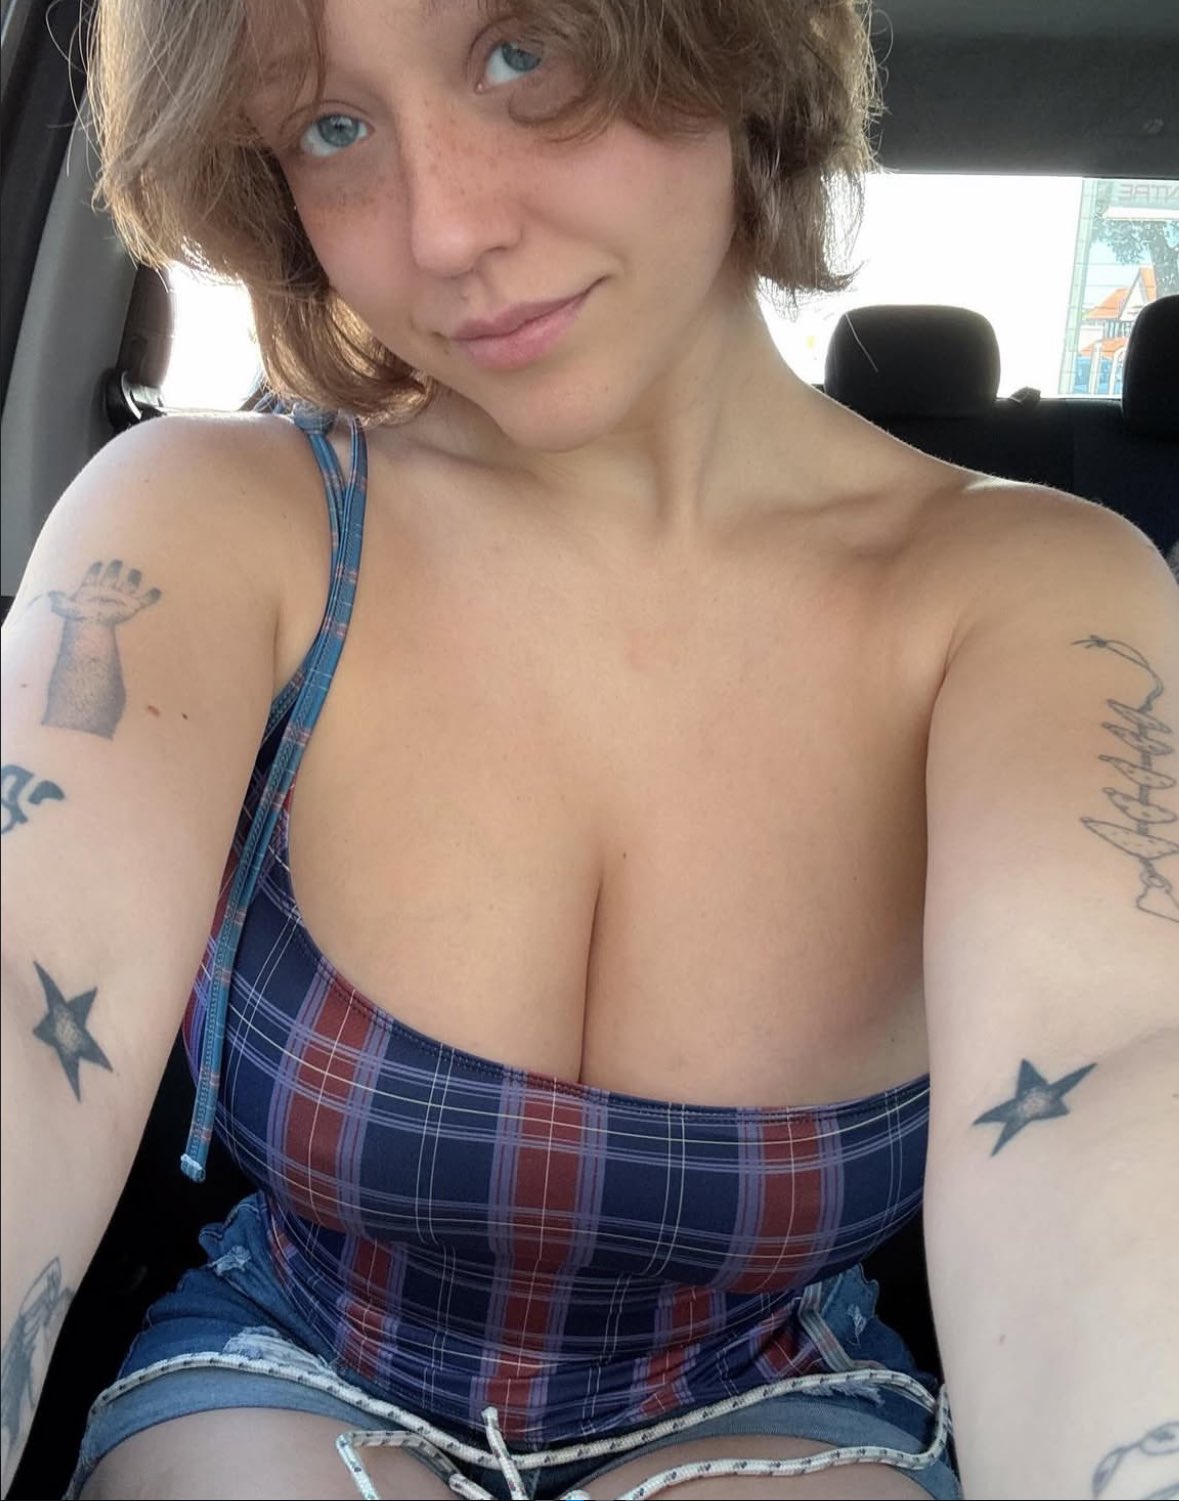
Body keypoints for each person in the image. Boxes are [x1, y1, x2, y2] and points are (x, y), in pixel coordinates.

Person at [2, 1, 1175, 1498]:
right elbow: (25, 982)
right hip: (291, 1368)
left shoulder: (1035, 595)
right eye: (330, 128)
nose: (444, 230)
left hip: (776, 1400)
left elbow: (1111, 1079)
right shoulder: (210, 519)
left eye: (524, 53)